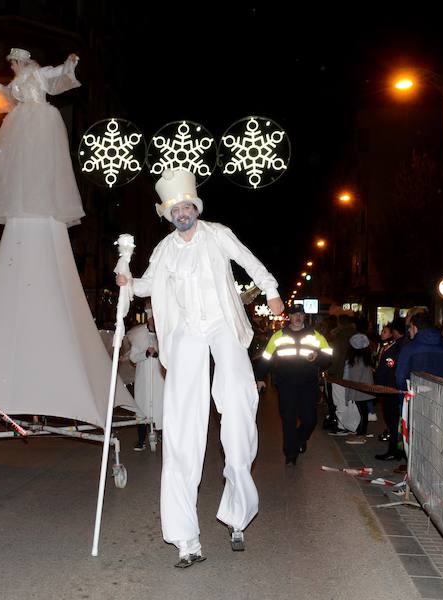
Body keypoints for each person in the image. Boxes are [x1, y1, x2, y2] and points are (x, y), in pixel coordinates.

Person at [116, 169, 284, 567]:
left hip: (223, 326)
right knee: (180, 425)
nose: (182, 213)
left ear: (196, 208)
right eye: (176, 209)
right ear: (169, 213)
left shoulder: (217, 233)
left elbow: (250, 261)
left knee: (238, 406)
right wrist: (127, 279)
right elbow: (146, 286)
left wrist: (273, 291)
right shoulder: (163, 250)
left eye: (187, 206)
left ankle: (238, 512)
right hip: (187, 332)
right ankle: (185, 538)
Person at [0, 49, 83, 226]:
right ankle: (22, 197)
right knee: (20, 158)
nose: (12, 66)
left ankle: (41, 198)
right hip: (21, 119)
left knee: (39, 155)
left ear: (20, 62)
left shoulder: (38, 73)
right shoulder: (16, 81)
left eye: (13, 63)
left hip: (40, 117)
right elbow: (8, 94)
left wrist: (70, 63)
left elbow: (57, 71)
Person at [256, 304, 332, 464]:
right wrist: (260, 377)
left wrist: (317, 357)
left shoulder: (316, 336)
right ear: (289, 317)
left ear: (304, 316)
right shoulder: (278, 336)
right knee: (288, 418)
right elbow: (267, 358)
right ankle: (290, 454)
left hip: (308, 384)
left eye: (301, 314)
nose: (298, 317)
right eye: (294, 314)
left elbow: (328, 358)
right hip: (286, 384)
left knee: (310, 420)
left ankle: (299, 439)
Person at [379, 312, 443, 462]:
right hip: (440, 399)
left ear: (415, 327)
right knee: (434, 437)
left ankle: (415, 473)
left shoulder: (411, 348)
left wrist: (403, 395)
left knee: (414, 436)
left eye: (410, 327)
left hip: (414, 399)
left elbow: (400, 377)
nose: (408, 331)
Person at [127, 307, 165, 451]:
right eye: (152, 319)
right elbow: (133, 357)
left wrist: (158, 353)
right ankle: (141, 440)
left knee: (160, 405)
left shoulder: (163, 333)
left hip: (158, 377)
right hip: (143, 378)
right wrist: (145, 353)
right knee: (142, 407)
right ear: (148, 319)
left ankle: (161, 433)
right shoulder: (138, 336)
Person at [374, 317, 405, 449]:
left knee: (391, 417)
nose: (382, 334)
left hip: (389, 386)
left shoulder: (393, 347)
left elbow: (388, 366)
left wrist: (379, 381)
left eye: (386, 331)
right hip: (387, 386)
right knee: (389, 416)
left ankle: (394, 447)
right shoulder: (387, 346)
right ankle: (393, 443)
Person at [325, 314, 356, 432]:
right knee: (351, 401)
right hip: (353, 373)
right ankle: (352, 425)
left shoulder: (339, 337)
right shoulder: (356, 335)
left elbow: (336, 357)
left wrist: (330, 372)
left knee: (339, 401)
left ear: (339, 323)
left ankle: (342, 426)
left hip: (339, 373)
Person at [343, 333, 375, 436]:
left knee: (360, 411)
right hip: (366, 389)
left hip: (356, 390)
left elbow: (347, 377)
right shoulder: (367, 359)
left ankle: (360, 432)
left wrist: (347, 394)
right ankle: (362, 430)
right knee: (363, 410)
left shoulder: (352, 360)